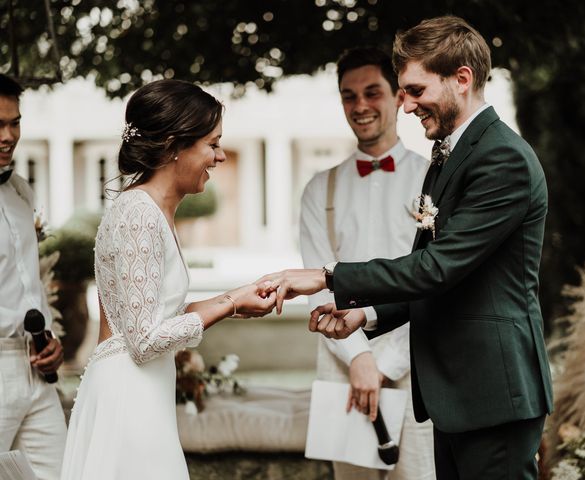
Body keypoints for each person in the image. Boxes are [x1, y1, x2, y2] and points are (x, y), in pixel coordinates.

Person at [259, 15, 553, 480]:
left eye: (416, 90)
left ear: (462, 79)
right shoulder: (451, 155)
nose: (408, 104)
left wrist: (328, 276)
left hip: (492, 393)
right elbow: (440, 276)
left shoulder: (502, 158)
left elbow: (436, 268)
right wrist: (368, 316)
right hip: (457, 395)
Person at [60, 79, 276, 480]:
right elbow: (144, 340)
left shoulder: (152, 210)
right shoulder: (140, 213)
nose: (221, 156)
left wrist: (237, 297)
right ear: (176, 146)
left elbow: (159, 315)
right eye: (212, 144)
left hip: (140, 392)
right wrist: (228, 304)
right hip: (129, 399)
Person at [300, 47, 435, 479]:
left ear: (397, 96)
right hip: (342, 363)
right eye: (348, 96)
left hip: (417, 360)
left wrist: (383, 364)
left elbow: (434, 276)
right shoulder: (318, 190)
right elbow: (318, 284)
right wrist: (359, 358)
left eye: (372, 92)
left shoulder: (433, 177)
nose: (360, 106)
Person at [0, 73, 67, 479]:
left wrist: (50, 339)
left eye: (15, 122)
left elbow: (27, 281)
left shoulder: (22, 192)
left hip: (36, 367)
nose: (8, 136)